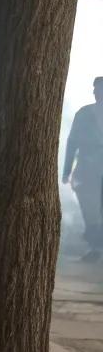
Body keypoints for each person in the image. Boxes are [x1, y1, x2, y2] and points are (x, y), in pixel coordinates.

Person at [62, 76, 103, 262]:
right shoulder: (83, 114)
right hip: (87, 170)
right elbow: (72, 142)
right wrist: (66, 170)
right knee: (90, 211)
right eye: (96, 89)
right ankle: (96, 247)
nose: (97, 92)